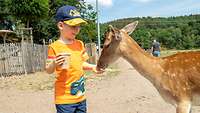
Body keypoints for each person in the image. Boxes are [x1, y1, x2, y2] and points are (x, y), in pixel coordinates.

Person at [45, 5, 103, 113]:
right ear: (61, 25)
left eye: (79, 26)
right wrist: (54, 63)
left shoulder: (80, 44)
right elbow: (48, 70)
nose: (77, 29)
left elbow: (82, 63)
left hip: (80, 97)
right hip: (64, 99)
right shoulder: (54, 47)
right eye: (73, 26)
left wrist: (93, 67)